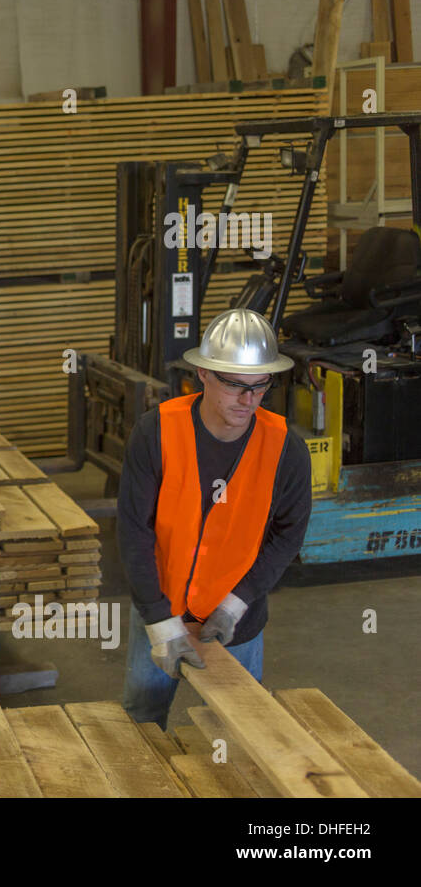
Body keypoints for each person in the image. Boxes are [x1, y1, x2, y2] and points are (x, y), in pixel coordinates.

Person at [119, 308, 311, 729]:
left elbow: (287, 537)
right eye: (236, 386)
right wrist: (157, 619)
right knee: (143, 722)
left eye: (261, 386)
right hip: (160, 606)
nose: (249, 401)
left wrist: (237, 603)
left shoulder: (286, 451)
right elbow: (134, 531)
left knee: (240, 730)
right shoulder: (156, 433)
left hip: (236, 618)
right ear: (202, 374)